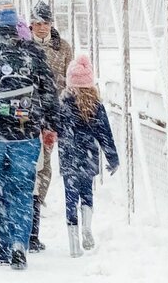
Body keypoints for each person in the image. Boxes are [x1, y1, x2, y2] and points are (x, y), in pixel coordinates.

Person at [0, 0, 59, 270]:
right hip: (26, 131)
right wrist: (51, 122)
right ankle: (20, 243)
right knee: (23, 191)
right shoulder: (33, 53)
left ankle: (3, 247)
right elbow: (48, 90)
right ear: (17, 23)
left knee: (0, 189)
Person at [57, 55, 118, 257]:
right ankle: (87, 227)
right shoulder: (96, 106)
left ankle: (74, 244)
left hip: (68, 156)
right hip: (88, 156)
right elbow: (105, 134)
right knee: (87, 195)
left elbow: (55, 128)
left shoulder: (63, 104)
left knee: (70, 198)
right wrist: (112, 158)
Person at [28, 1, 74, 252]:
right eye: (38, 23)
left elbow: (71, 76)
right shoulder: (23, 45)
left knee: (45, 162)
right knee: (30, 160)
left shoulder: (63, 47)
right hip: (27, 112)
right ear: (31, 24)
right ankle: (29, 203)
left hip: (52, 113)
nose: (42, 27)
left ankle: (37, 200)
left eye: (46, 23)